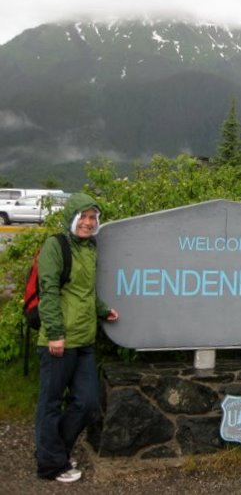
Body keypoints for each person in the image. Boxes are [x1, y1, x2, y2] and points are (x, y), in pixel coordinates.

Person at [34, 193, 119, 483]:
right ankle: (50, 465)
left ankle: (51, 451)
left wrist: (103, 310)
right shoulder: (56, 245)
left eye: (93, 217)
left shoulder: (90, 247)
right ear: (72, 217)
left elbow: (84, 292)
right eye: (83, 217)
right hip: (59, 341)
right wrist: (55, 334)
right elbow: (48, 291)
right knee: (51, 403)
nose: (88, 222)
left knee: (88, 402)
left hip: (85, 340)